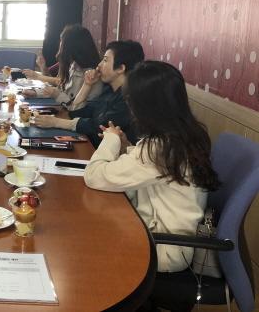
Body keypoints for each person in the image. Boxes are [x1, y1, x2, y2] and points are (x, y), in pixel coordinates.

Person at [84, 61, 220, 273]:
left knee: (87, 240)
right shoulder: (185, 134)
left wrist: (111, 140)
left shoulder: (159, 149)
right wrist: (127, 147)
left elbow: (94, 175)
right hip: (166, 236)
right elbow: (150, 169)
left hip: (163, 247)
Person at [33, 40, 144, 146]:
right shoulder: (109, 89)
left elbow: (98, 127)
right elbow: (76, 111)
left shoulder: (129, 99)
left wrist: (56, 122)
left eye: (105, 60)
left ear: (120, 68)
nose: (99, 65)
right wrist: (87, 84)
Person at [22, 24, 102, 109]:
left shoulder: (90, 74)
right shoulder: (74, 65)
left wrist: (55, 93)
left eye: (62, 42)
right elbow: (61, 89)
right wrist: (36, 93)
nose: (60, 46)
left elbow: (74, 107)